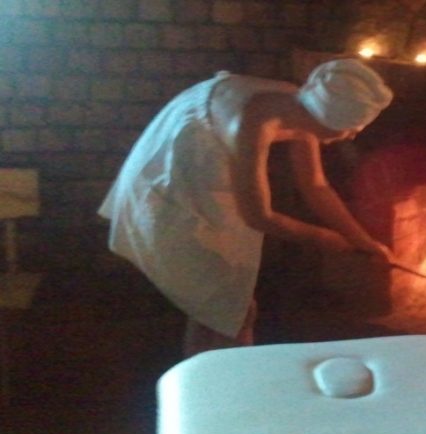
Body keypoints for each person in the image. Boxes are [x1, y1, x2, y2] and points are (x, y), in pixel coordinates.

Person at [98, 59, 395, 357]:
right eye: (349, 128)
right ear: (326, 118)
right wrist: (326, 239)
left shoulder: (302, 105)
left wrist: (362, 241)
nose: (351, 136)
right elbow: (258, 216)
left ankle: (210, 367)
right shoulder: (255, 123)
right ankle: (220, 375)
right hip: (178, 182)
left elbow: (316, 186)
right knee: (226, 306)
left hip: (208, 173)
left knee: (220, 306)